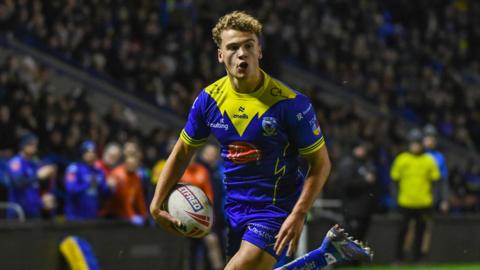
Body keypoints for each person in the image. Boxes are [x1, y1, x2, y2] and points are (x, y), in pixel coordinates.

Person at [150, 11, 371, 270]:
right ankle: (326, 257)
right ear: (220, 55)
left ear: (259, 52)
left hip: (276, 207)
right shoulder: (209, 99)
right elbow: (184, 150)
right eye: (233, 47)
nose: (242, 53)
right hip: (234, 208)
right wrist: (157, 202)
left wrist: (299, 213)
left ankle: (326, 257)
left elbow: (321, 163)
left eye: (248, 45)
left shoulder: (290, 104)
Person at [391, 129, 441, 263]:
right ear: (409, 144)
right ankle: (398, 258)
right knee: (402, 231)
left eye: (418, 143)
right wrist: (395, 198)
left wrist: (434, 199)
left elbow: (436, 182)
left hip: (423, 202)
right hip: (405, 202)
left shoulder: (428, 161)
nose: (416, 146)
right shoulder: (401, 159)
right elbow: (394, 181)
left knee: (421, 232)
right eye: (413, 143)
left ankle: (417, 258)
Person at [7, 133, 57, 219]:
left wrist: (45, 196)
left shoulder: (35, 163)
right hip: (19, 212)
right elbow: (18, 182)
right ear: (23, 145)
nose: (34, 147)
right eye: (31, 144)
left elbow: (38, 186)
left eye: (35, 144)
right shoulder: (16, 162)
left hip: (35, 210)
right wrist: (37, 175)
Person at [64, 140, 115, 220]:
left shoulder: (98, 171)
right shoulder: (74, 169)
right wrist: (87, 184)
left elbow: (104, 193)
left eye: (93, 151)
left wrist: (110, 187)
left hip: (92, 216)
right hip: (75, 216)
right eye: (87, 151)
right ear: (82, 154)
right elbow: (70, 190)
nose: (90, 154)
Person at [337, 142, 376, 243]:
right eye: (361, 148)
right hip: (352, 208)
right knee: (351, 238)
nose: (364, 150)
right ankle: (349, 259)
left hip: (364, 208)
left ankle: (357, 258)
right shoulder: (348, 163)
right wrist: (365, 181)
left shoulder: (366, 162)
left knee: (361, 239)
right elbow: (346, 184)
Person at [101, 154, 147, 225]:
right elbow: (124, 199)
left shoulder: (136, 177)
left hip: (127, 214)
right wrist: (132, 216)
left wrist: (144, 215)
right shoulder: (118, 175)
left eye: (134, 164)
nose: (132, 166)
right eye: (130, 164)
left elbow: (139, 198)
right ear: (125, 163)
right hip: (114, 215)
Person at [422, 125, 449, 213]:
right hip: (417, 197)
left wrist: (444, 199)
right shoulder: (415, 156)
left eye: (433, 137)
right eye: (428, 137)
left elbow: (444, 180)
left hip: (434, 196)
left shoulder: (439, 157)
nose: (430, 140)